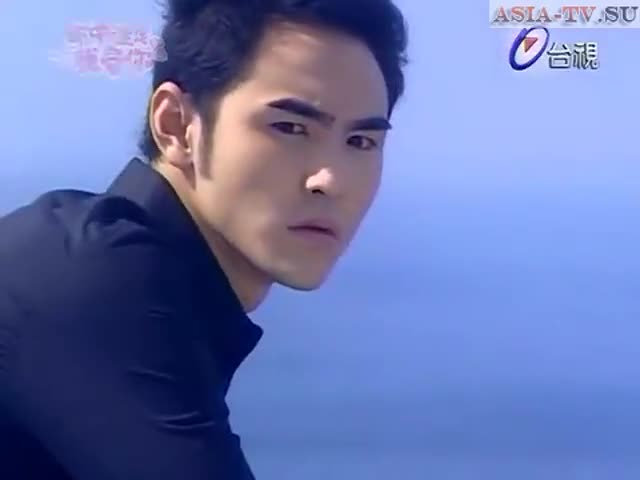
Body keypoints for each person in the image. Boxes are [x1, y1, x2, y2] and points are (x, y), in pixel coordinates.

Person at [0, 0, 408, 478]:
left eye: (361, 142)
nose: (329, 179)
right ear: (176, 125)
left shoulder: (133, 280)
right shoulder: (88, 282)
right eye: (290, 128)